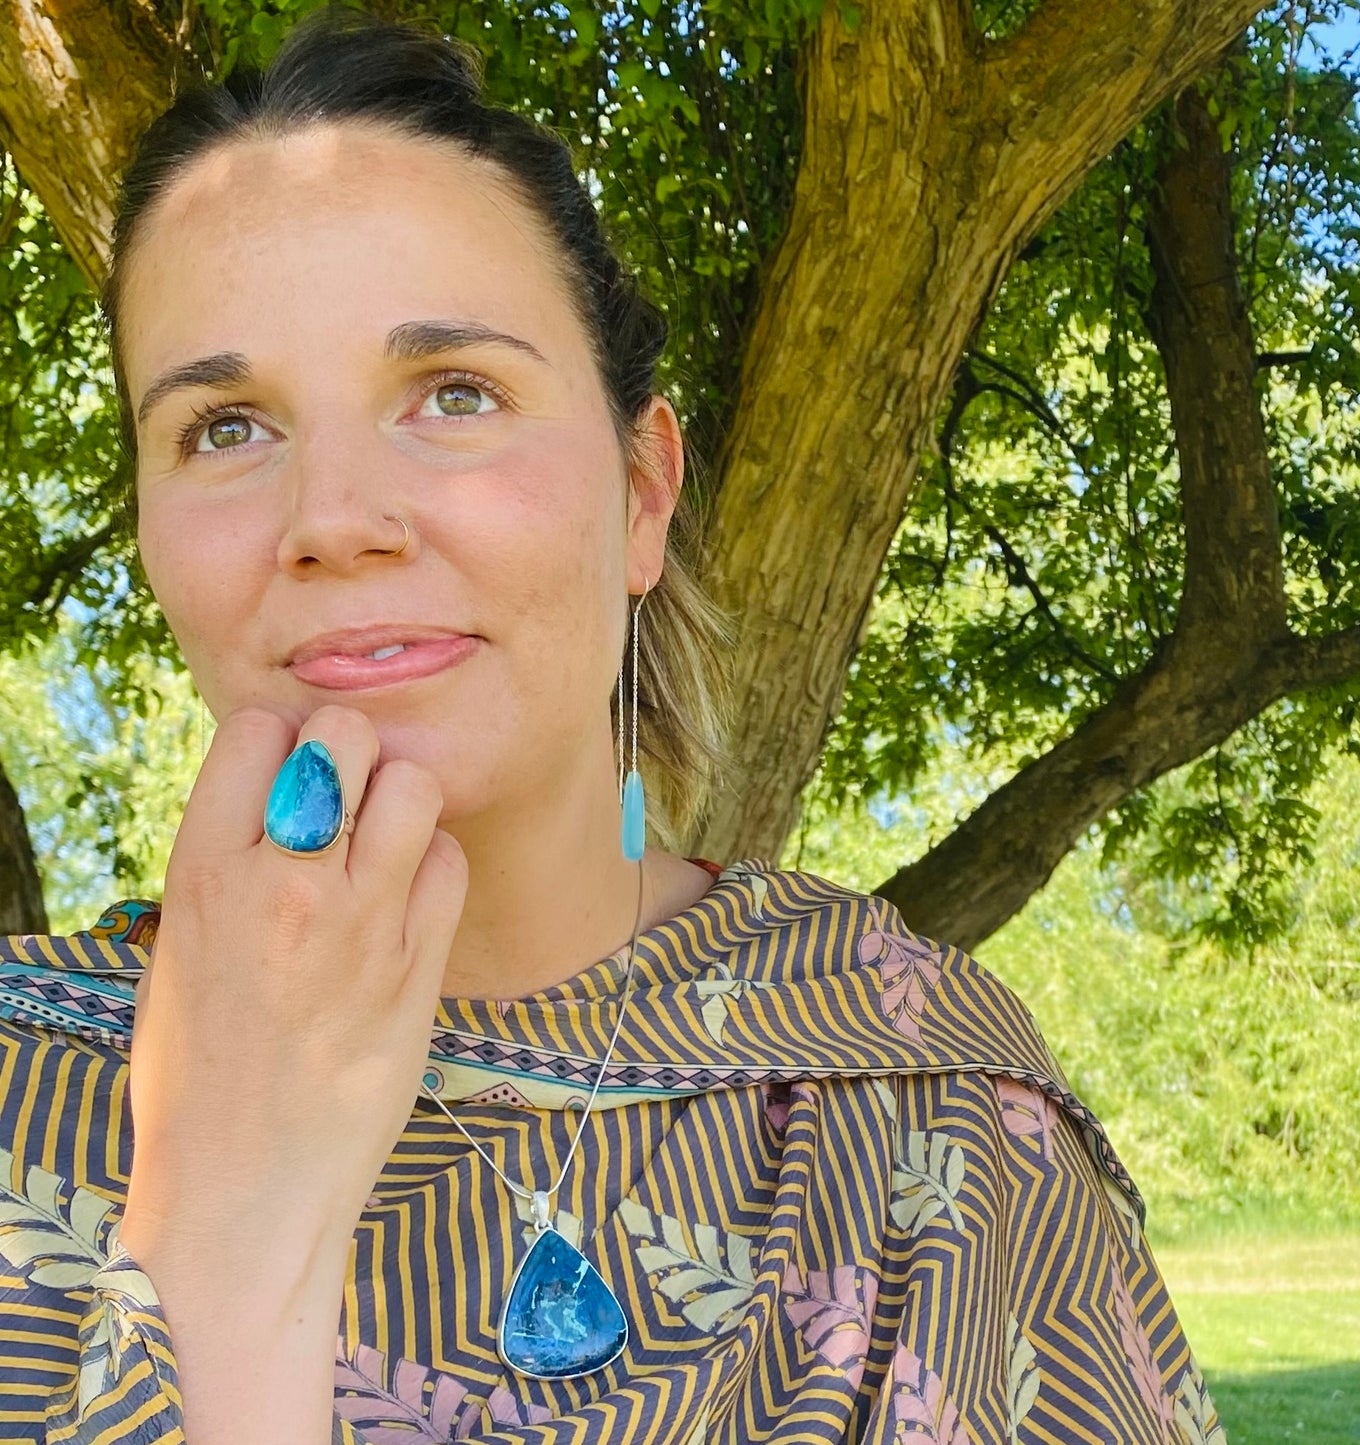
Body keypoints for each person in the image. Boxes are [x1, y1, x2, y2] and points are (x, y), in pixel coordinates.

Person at [0, 10, 1226, 1443]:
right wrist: (220, 1242)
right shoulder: (29, 1086)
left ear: (641, 493)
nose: (331, 518)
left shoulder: (926, 1108)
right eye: (224, 425)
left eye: (453, 393)